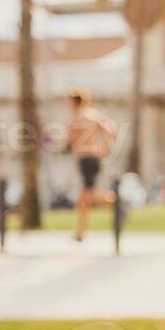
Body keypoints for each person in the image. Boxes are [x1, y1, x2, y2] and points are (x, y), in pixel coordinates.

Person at [63, 88, 118, 241]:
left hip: (86, 159)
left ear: (74, 102)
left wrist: (59, 144)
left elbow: (68, 141)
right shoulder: (93, 115)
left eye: (67, 102)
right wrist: (104, 149)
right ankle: (80, 232)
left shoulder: (75, 118)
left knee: (87, 195)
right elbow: (112, 130)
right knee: (85, 197)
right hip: (94, 157)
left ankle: (117, 202)